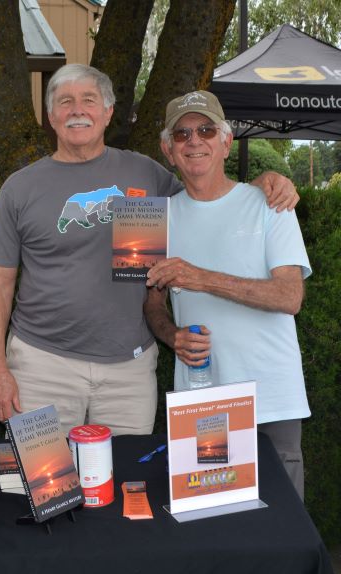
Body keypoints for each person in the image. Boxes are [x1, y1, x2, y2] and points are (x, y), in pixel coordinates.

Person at [0, 63, 298, 435]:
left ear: (108, 112)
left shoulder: (145, 175)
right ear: (51, 115)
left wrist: (260, 186)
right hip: (40, 366)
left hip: (127, 375)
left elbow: (207, 193)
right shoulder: (19, 189)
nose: (78, 110)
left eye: (89, 100)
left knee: (125, 484)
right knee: (38, 489)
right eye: (65, 101)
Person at [144, 90, 311, 498]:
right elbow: (152, 305)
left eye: (205, 129)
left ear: (225, 141)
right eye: (181, 134)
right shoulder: (157, 220)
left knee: (283, 535)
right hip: (203, 399)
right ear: (168, 150)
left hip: (272, 396)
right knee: (212, 525)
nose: (194, 141)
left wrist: (200, 278)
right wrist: (171, 335)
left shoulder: (270, 203)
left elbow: (290, 296)